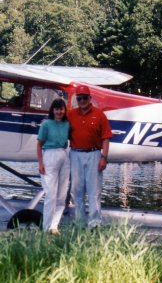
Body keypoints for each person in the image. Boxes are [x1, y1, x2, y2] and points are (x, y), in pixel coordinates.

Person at [68, 85, 112, 229]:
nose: (82, 101)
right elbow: (57, 124)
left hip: (94, 154)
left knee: (94, 191)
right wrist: (46, 124)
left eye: (84, 98)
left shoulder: (99, 114)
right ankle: (80, 222)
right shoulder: (71, 114)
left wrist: (104, 157)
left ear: (89, 98)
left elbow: (106, 138)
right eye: (79, 98)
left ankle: (94, 223)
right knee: (76, 190)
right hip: (75, 154)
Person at [37, 98, 70, 235]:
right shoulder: (46, 125)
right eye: (56, 109)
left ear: (64, 110)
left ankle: (54, 226)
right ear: (53, 110)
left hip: (63, 155)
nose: (59, 112)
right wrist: (40, 163)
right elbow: (39, 144)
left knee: (61, 195)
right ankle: (46, 227)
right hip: (49, 155)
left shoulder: (67, 124)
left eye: (61, 109)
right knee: (51, 194)